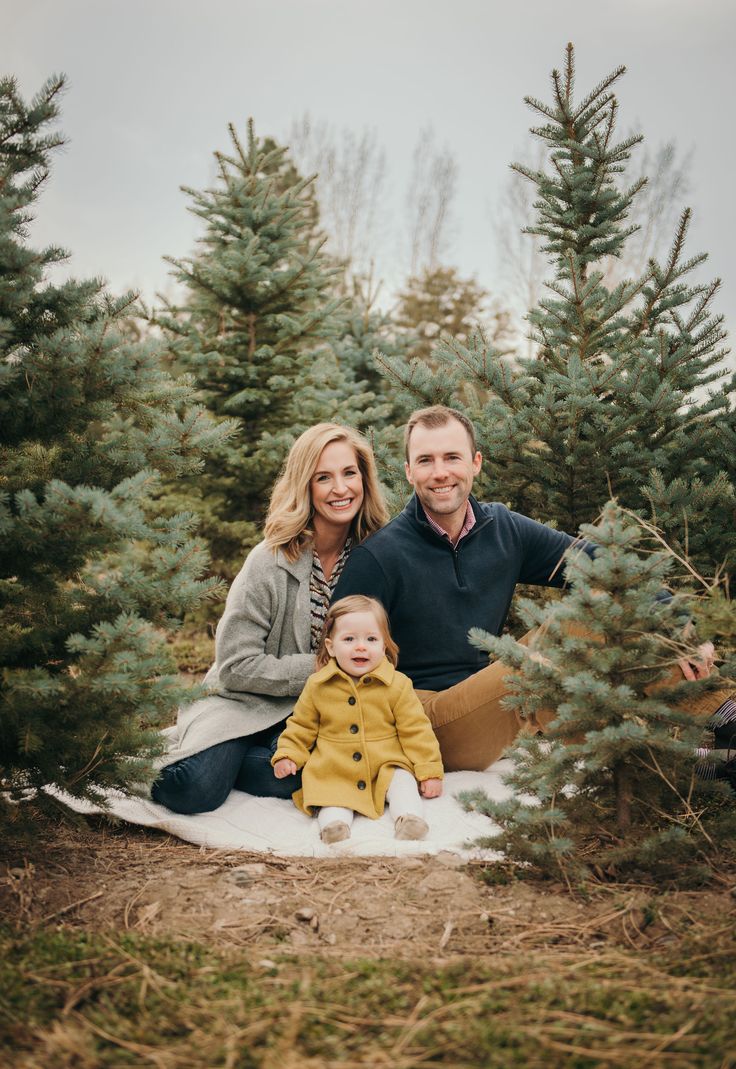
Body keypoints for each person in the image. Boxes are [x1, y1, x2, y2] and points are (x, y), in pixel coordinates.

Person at [333, 404, 726, 773]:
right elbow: (336, 658)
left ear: (475, 463)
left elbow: (606, 564)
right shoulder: (379, 556)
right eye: (425, 461)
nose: (440, 473)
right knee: (537, 661)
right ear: (408, 472)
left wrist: (681, 625)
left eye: (452, 457)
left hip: (491, 703)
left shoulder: (503, 529)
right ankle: (684, 757)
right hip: (422, 722)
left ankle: (713, 738)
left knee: (599, 605)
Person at [151, 424, 389, 815]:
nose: (341, 488)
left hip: (309, 715)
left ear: (364, 478)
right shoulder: (270, 559)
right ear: (305, 486)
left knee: (316, 775)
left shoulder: (376, 556)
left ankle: (244, 759)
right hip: (241, 703)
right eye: (323, 478)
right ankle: (199, 751)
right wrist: (323, 666)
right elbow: (234, 666)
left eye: (349, 473)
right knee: (192, 789)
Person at [272, 595, 444, 843]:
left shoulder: (397, 684)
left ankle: (409, 819)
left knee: (402, 782)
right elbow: (301, 726)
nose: (361, 646)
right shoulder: (318, 685)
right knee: (329, 793)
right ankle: (334, 826)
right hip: (335, 764)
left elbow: (416, 730)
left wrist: (429, 771)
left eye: (371, 639)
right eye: (349, 639)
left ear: (383, 646)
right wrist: (288, 754)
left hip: (386, 762)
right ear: (331, 647)